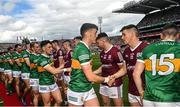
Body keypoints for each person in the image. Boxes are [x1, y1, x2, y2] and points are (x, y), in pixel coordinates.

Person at [67, 23, 115, 106]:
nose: (96, 36)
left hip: (87, 88)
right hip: (77, 90)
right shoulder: (82, 49)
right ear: (88, 34)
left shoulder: (84, 48)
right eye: (95, 33)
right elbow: (90, 77)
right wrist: (107, 80)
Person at [133, 23, 180, 106]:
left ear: (161, 35)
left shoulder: (147, 49)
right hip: (172, 98)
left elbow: (136, 74)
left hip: (149, 98)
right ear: (178, 35)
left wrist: (141, 92)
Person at [120, 24, 149, 106]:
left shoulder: (146, 48)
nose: (122, 37)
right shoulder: (126, 51)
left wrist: (142, 92)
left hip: (145, 92)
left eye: (124, 34)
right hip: (132, 90)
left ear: (132, 34)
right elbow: (124, 69)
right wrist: (113, 76)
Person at [95, 32, 126, 106]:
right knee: (105, 103)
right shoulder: (102, 53)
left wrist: (114, 78)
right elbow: (103, 66)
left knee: (119, 105)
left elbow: (123, 69)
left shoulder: (116, 52)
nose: (97, 45)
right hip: (103, 82)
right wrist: (92, 73)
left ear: (103, 41)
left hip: (115, 83)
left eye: (98, 42)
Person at [37, 40, 67, 106]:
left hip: (52, 82)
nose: (51, 49)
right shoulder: (41, 59)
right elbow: (53, 71)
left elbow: (53, 69)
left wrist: (61, 66)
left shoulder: (49, 57)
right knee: (47, 104)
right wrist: (66, 69)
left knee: (59, 100)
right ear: (43, 48)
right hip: (44, 84)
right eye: (49, 47)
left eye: (51, 47)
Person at [29, 42, 41, 106]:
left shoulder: (39, 55)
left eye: (39, 46)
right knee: (36, 94)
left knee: (40, 94)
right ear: (32, 48)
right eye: (36, 47)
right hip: (34, 77)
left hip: (41, 77)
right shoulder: (31, 56)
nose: (38, 48)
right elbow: (31, 67)